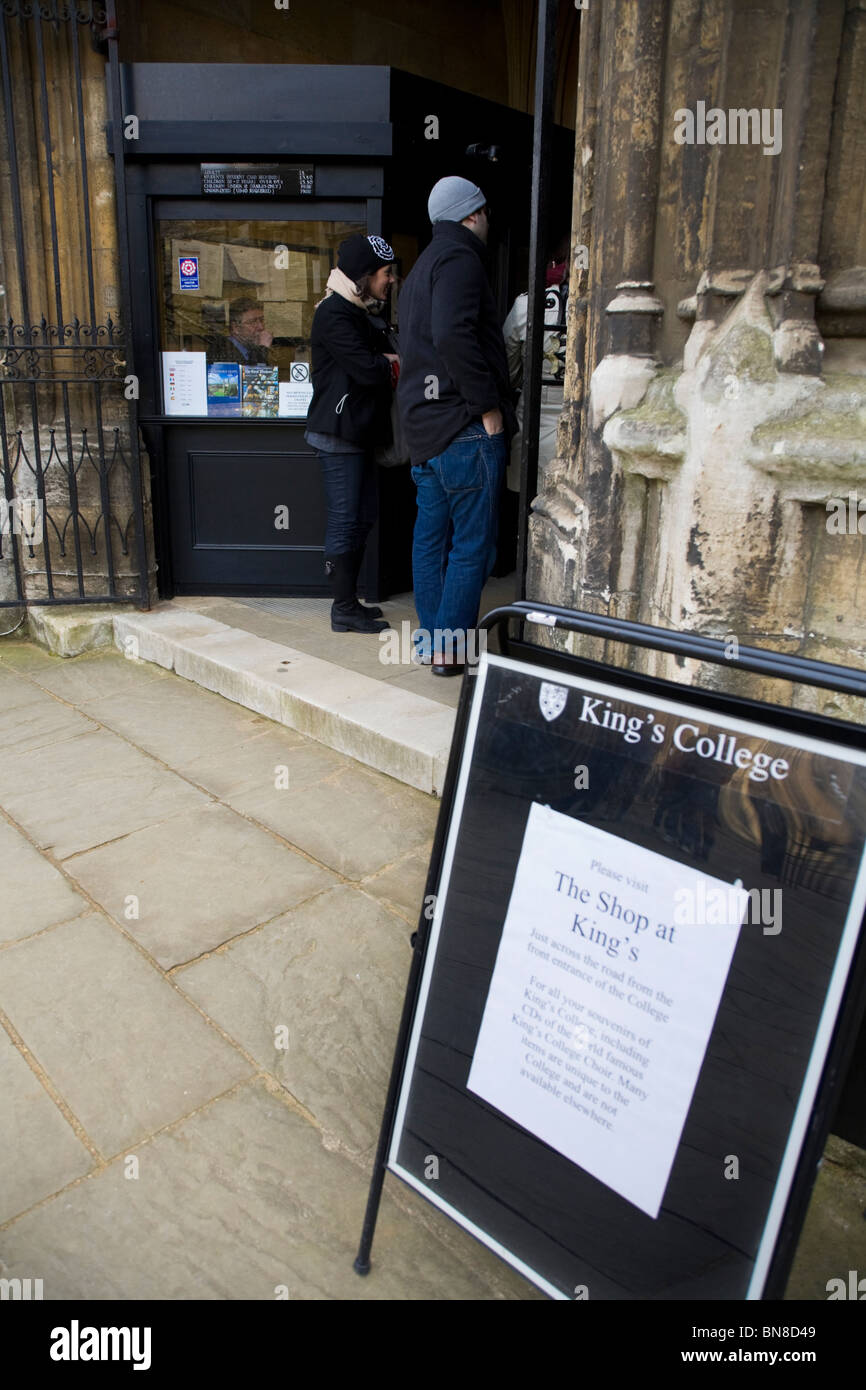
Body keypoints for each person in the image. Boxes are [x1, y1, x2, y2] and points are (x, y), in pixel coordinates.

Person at [397, 177, 516, 675]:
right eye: (486, 211)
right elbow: (452, 335)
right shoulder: (462, 259)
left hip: (425, 431)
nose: (488, 220)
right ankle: (449, 650)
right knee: (471, 546)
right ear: (473, 214)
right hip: (465, 428)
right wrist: (488, 406)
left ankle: (431, 643)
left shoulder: (421, 267)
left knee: (429, 540)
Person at [304, 233, 399, 634]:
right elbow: (367, 369)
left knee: (362, 518)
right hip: (338, 434)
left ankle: (350, 602)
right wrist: (392, 363)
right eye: (385, 272)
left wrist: (387, 359)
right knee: (346, 520)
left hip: (358, 433)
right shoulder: (335, 313)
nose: (391, 279)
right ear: (364, 275)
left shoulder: (358, 310)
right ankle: (342, 607)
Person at [502, 236, 569, 493]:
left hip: (531, 412)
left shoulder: (525, 304)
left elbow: (509, 368)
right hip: (575, 416)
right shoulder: (594, 306)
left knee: (525, 497)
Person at [215, 298, 273, 364]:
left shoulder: (250, 349)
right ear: (236, 328)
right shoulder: (223, 351)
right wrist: (263, 349)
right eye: (252, 322)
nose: (261, 327)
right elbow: (253, 373)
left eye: (262, 320)